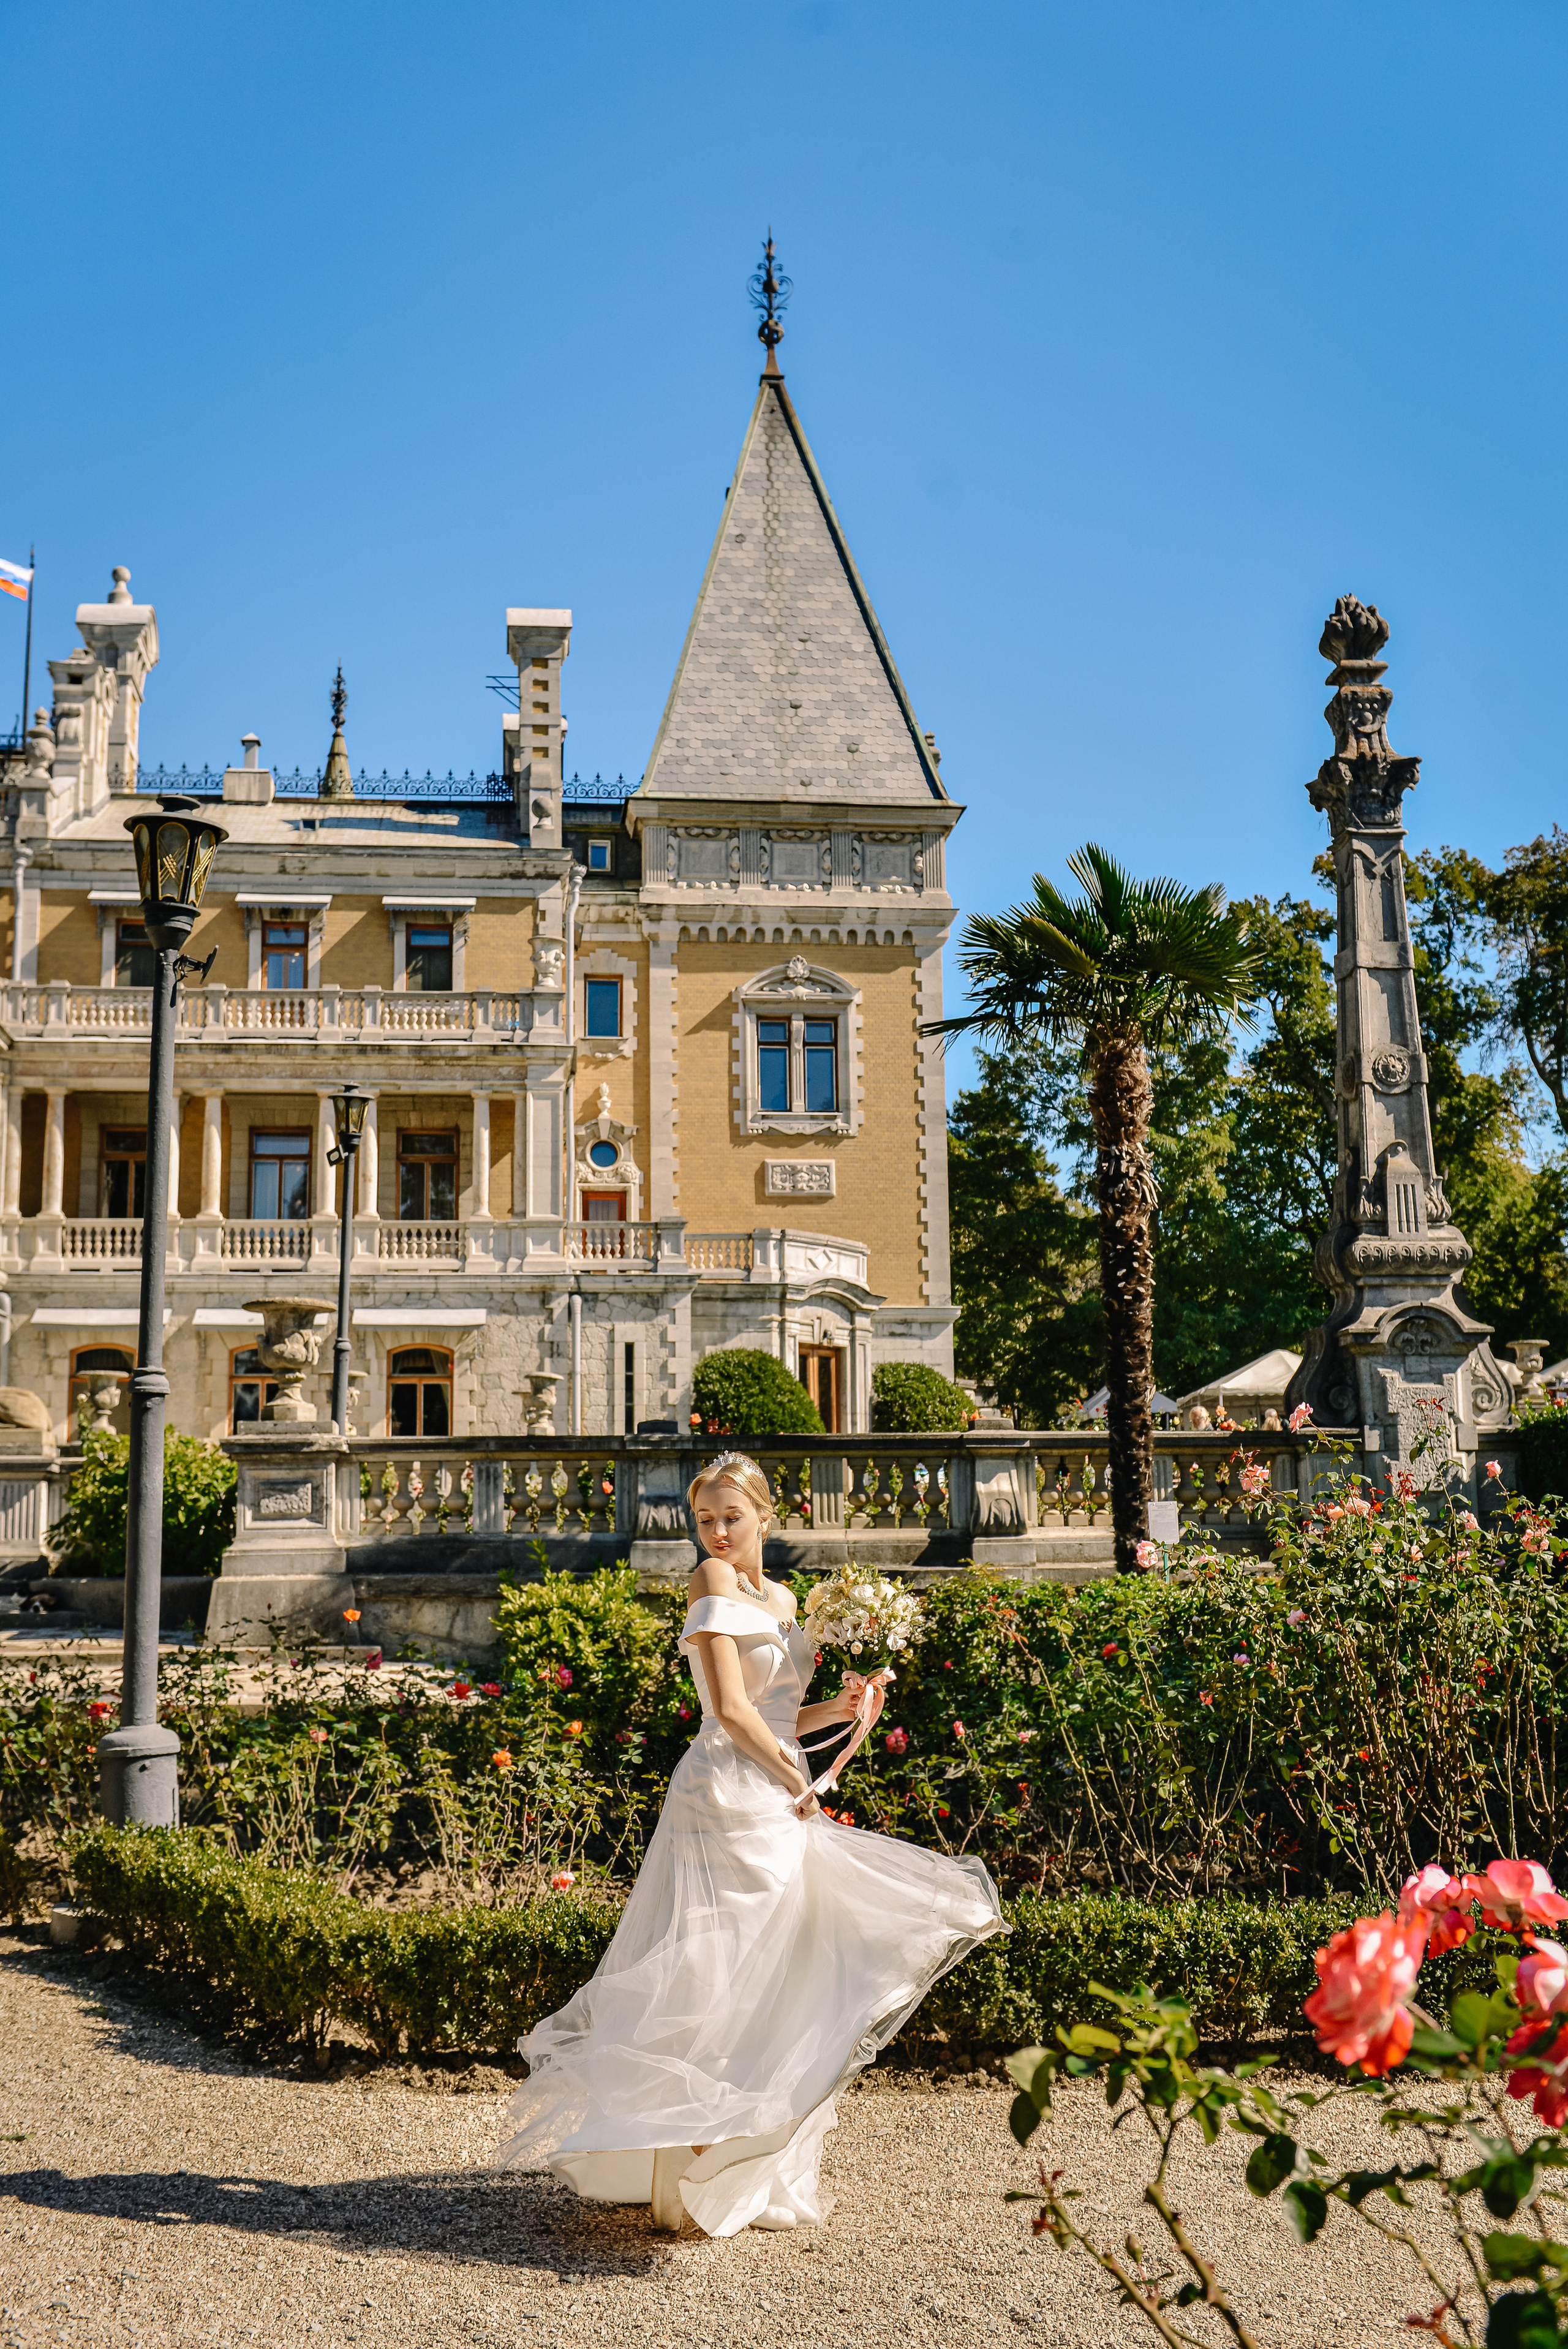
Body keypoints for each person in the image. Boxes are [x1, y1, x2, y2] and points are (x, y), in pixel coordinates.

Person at [497, 1450, 1006, 2238]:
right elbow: (732, 1713)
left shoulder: (784, 1596)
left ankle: (738, 2157)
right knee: (721, 1965)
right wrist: (796, 1785)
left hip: (775, 1790)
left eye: (732, 1517)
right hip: (727, 1795)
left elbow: (779, 1719)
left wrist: (841, 1708)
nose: (718, 1533)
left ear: (767, 1517)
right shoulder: (711, 1583)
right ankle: (695, 2152)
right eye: (706, 1520)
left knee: (780, 1962)